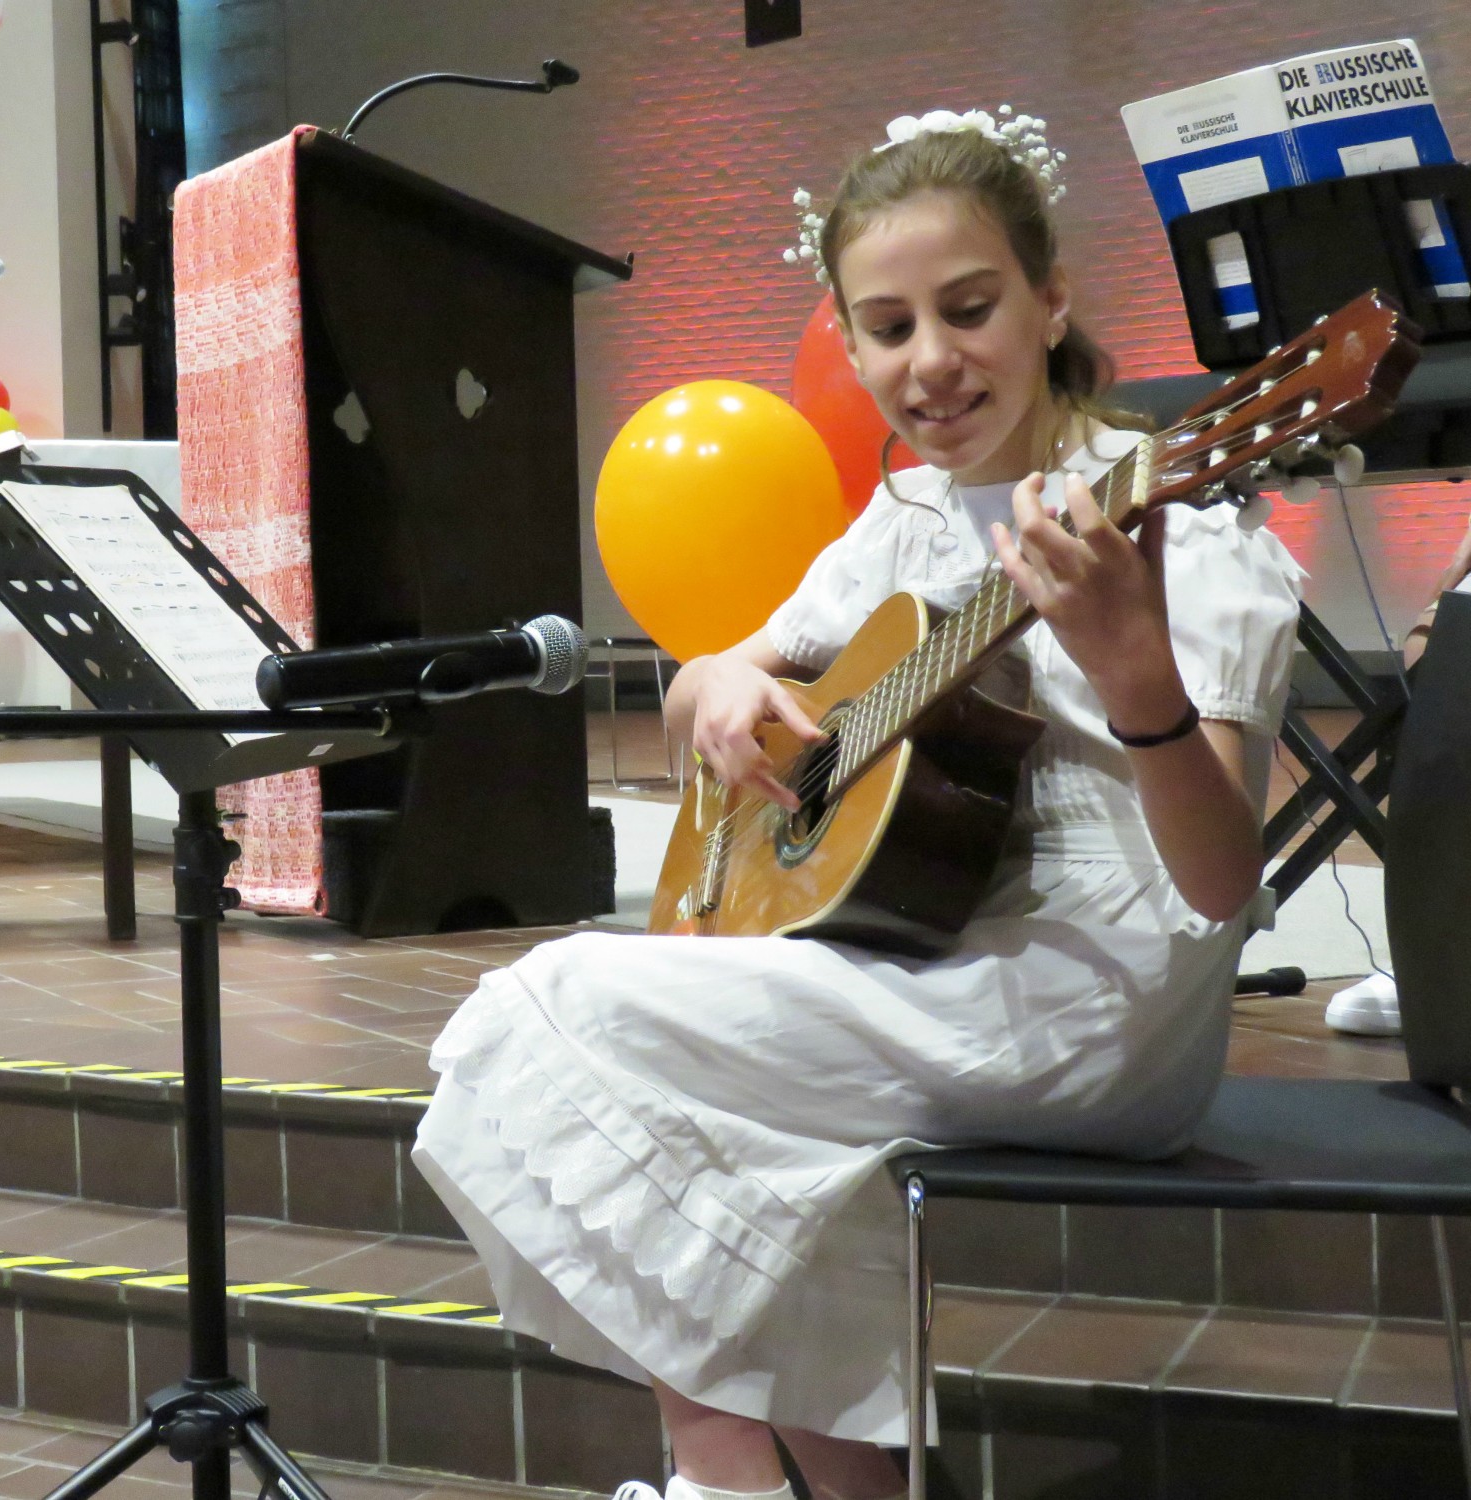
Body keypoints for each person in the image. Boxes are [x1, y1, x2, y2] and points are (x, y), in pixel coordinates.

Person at [411, 108, 1302, 1500]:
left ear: (1051, 296)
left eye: (969, 309)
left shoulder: (1183, 526)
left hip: (1105, 994)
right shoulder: (896, 528)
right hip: (929, 948)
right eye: (887, 328)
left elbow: (1219, 888)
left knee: (559, 1010)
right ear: (848, 340)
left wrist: (1137, 675)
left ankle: (722, 1483)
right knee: (730, 1105)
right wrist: (710, 683)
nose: (931, 363)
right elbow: (736, 672)